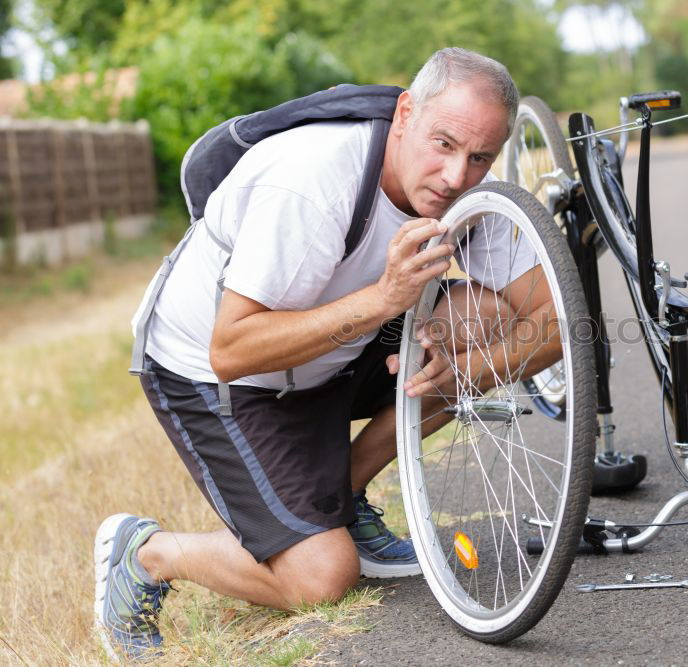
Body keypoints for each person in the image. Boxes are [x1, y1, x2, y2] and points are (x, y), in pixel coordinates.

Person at [94, 47, 541, 660]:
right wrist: (386, 299)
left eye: (480, 157)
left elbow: (552, 320)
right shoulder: (312, 182)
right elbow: (232, 349)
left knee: (488, 318)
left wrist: (457, 370)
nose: (457, 177)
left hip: (336, 350)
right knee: (323, 577)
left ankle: (344, 494)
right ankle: (146, 553)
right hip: (218, 374)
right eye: (443, 144)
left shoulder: (467, 191)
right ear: (405, 113)